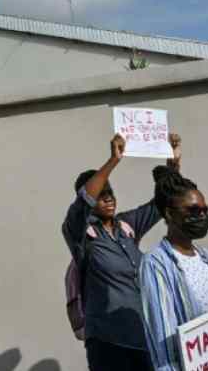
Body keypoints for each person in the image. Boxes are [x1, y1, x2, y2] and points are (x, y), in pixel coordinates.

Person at [62, 133, 181, 371]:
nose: (108, 198)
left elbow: (161, 203)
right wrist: (113, 161)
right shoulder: (81, 235)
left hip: (144, 336)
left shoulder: (127, 226)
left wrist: (173, 164)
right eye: (101, 194)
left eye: (110, 192)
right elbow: (83, 201)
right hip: (108, 342)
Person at [139, 167, 208, 371]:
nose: (202, 216)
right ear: (169, 213)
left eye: (205, 210)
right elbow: (164, 344)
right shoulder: (157, 263)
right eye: (193, 211)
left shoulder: (207, 258)